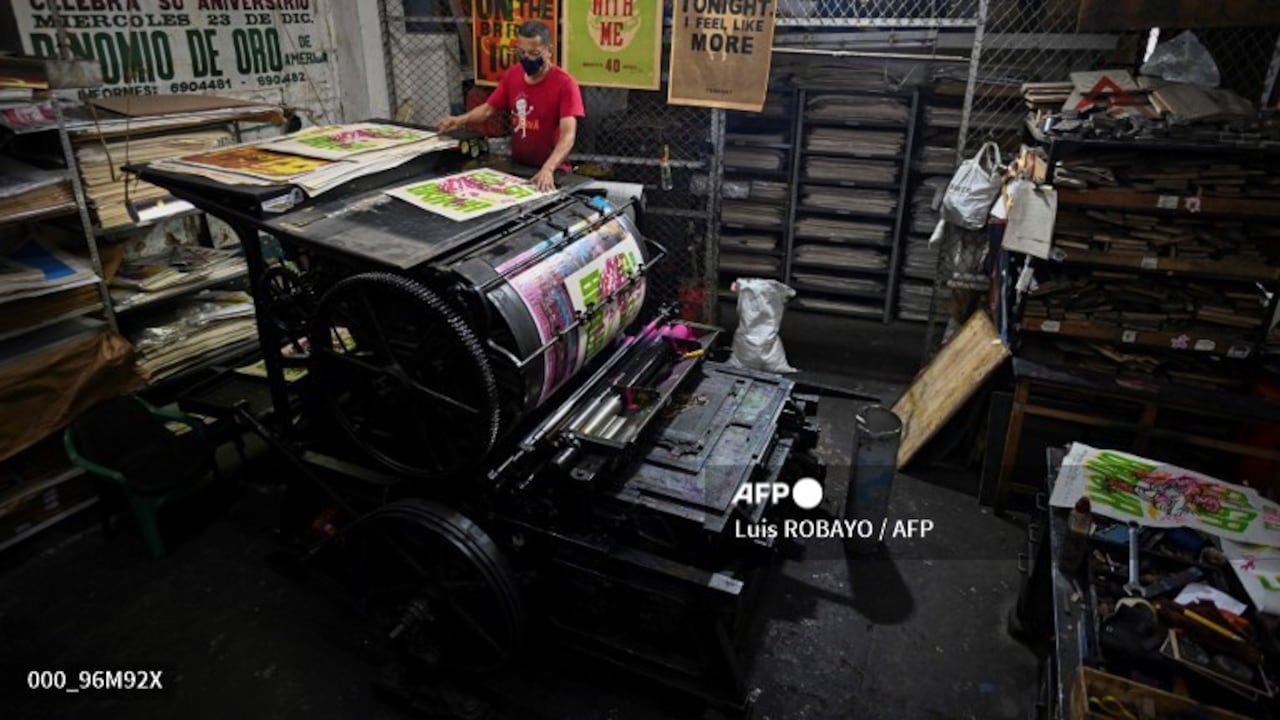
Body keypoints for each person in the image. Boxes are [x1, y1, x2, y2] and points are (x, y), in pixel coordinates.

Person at [439, 20, 585, 191]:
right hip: (518, 167)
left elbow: (568, 135)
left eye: (534, 53)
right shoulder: (513, 75)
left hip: (553, 171)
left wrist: (549, 168)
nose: (527, 58)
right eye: (522, 52)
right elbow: (487, 109)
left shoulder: (565, 84)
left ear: (549, 51)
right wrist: (459, 120)